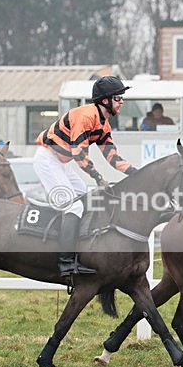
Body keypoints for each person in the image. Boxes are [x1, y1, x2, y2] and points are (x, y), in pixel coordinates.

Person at [34, 75, 138, 280]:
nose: (122, 102)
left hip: (61, 162)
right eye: (118, 98)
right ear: (105, 100)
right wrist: (98, 177)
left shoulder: (103, 124)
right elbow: (78, 153)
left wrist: (135, 172)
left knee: (85, 197)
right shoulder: (85, 116)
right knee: (73, 206)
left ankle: (81, 251)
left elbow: (112, 157)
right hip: (47, 159)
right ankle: (65, 263)